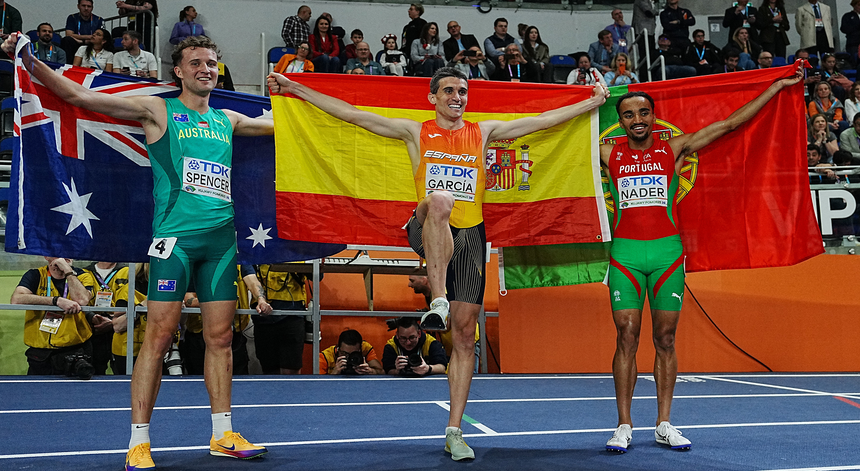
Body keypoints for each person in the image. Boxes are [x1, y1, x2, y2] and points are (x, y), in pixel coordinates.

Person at [267, 66, 607, 461]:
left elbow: (542, 121)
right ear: (433, 97)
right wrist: (296, 87)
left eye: (462, 91)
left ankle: (454, 431)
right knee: (441, 199)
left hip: (469, 237)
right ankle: (439, 297)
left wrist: (592, 101)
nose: (457, 97)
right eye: (448, 90)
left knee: (464, 337)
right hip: (424, 225)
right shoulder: (416, 131)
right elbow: (352, 113)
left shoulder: (483, 132)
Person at [4, 32, 276, 468]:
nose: (206, 69)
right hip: (175, 244)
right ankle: (138, 441)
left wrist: (299, 93)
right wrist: (28, 60)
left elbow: (295, 129)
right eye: (197, 63)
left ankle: (223, 433)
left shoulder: (230, 119)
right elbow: (78, 95)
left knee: (221, 338)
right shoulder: (157, 109)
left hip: (222, 244)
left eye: (212, 62)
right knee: (158, 337)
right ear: (179, 71)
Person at [600, 69, 802, 453]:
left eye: (644, 113)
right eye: (629, 114)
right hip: (625, 256)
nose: (637, 120)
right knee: (626, 334)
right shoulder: (608, 152)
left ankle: (664, 423)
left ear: (653, 117)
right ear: (620, 120)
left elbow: (729, 124)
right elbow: (559, 135)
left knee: (665, 338)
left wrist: (774, 88)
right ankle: (623, 424)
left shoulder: (673, 149)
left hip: (667, 257)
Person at [11, 257, 101, 378]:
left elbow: (82, 299)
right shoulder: (35, 275)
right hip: (40, 352)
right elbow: (17, 299)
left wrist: (68, 271)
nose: (62, 257)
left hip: (75, 350)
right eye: (56, 253)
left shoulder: (82, 275)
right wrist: (55, 301)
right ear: (46, 257)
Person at [251, 265, 308, 375]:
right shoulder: (256, 248)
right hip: (263, 315)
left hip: (293, 314)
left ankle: (292, 392)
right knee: (269, 369)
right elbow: (247, 271)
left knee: (291, 368)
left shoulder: (301, 248)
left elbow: (318, 274)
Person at [82, 261, 131, 375]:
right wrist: (91, 317)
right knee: (92, 373)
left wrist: (113, 321)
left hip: (120, 331)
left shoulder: (129, 271)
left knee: (122, 374)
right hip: (92, 329)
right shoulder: (84, 272)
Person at [381, 317, 447, 376]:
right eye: (403, 338)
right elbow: (388, 370)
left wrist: (428, 368)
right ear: (397, 335)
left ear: (419, 333)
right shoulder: (391, 346)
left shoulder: (431, 343)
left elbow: (442, 367)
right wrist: (397, 371)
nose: (408, 342)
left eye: (412, 337)